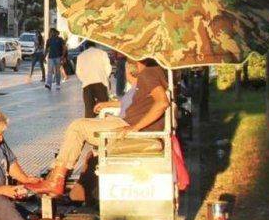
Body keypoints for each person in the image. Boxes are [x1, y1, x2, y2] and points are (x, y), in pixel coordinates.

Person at [26, 58, 171, 196]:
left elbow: (162, 102)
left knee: (77, 127)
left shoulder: (148, 73)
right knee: (81, 125)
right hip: (125, 121)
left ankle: (56, 180)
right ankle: (57, 178)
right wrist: (109, 105)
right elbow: (137, 102)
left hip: (127, 125)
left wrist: (135, 128)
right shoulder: (155, 71)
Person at [74, 45, 113, 118]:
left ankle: (90, 127)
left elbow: (78, 72)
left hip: (87, 85)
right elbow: (108, 68)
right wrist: (104, 77)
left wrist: (85, 79)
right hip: (101, 83)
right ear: (95, 46)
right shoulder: (102, 53)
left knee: (89, 110)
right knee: (104, 108)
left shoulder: (80, 56)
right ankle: (104, 126)